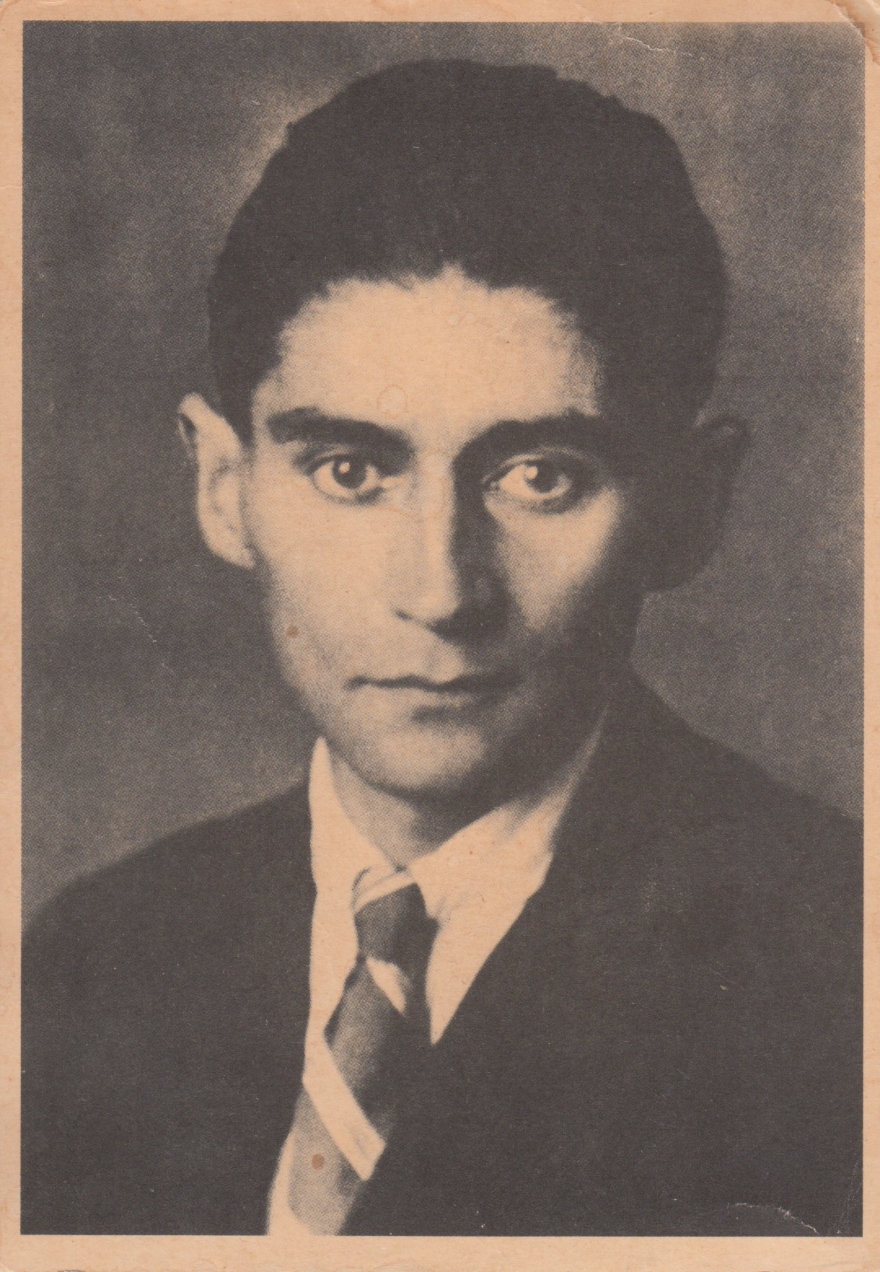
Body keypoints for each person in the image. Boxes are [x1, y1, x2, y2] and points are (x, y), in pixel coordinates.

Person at [21, 59, 861, 1238]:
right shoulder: (97, 958)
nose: (440, 592)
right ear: (223, 488)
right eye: (349, 471)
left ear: (690, 505)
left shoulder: (838, 970)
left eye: (539, 477)